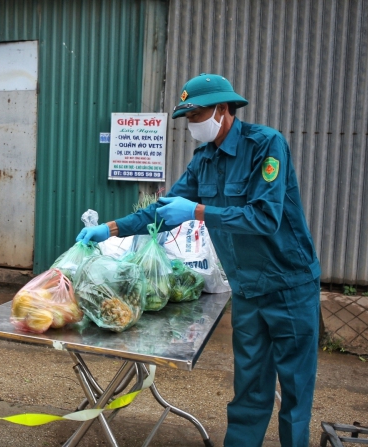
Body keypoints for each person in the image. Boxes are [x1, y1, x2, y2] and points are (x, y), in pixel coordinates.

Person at [77, 73, 320, 447]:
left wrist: (198, 211)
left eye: (196, 115)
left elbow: (265, 218)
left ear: (223, 110)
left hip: (289, 285)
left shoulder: (266, 145)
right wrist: (108, 229)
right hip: (249, 290)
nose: (191, 125)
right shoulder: (204, 161)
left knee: (294, 395)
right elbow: (161, 210)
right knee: (250, 390)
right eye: (187, 118)